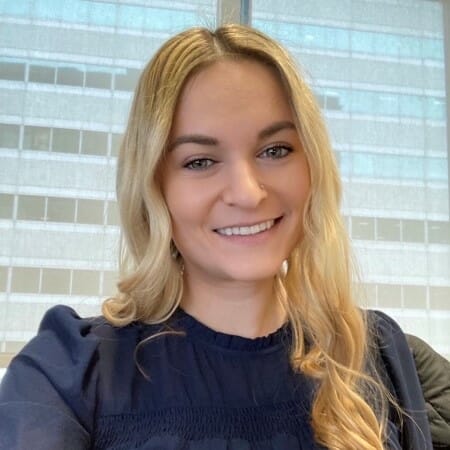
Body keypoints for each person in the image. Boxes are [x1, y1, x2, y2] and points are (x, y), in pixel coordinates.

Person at [0, 24, 432, 450]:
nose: (247, 193)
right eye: (200, 161)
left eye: (275, 150)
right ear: (153, 184)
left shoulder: (374, 349)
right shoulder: (68, 371)